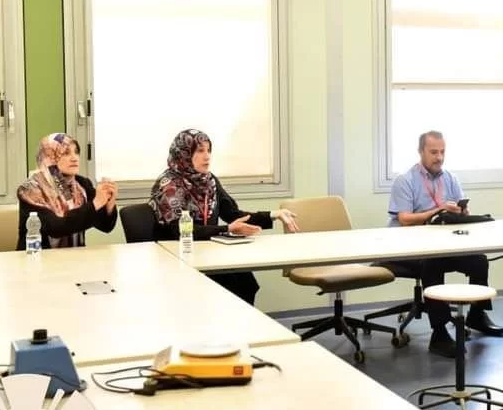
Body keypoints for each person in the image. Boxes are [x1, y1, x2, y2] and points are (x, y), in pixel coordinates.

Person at [386, 130, 503, 358]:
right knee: (432, 264)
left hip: (443, 244)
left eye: (442, 152)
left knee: (478, 261)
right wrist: (438, 209)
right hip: (409, 248)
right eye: (433, 152)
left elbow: (459, 209)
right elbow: (404, 219)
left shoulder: (450, 178)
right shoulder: (405, 180)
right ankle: (439, 333)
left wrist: (462, 212)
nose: (439, 157)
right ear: (420, 151)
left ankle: (477, 315)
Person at [149, 129, 299, 306]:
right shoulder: (170, 185)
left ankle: (242, 323)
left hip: (207, 252)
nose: (207, 156)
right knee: (231, 287)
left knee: (245, 282)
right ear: (183, 154)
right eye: (200, 150)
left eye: (209, 150)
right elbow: (181, 230)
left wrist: (274, 215)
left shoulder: (209, 181)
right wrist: (227, 229)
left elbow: (233, 215)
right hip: (177, 256)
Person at [16, 133, 119, 250]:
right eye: (66, 153)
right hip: (37, 256)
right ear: (49, 157)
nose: (74, 158)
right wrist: (97, 203)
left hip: (74, 257)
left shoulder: (82, 184)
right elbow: (56, 228)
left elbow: (105, 226)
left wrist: (109, 202)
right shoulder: (31, 189)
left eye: (76, 152)